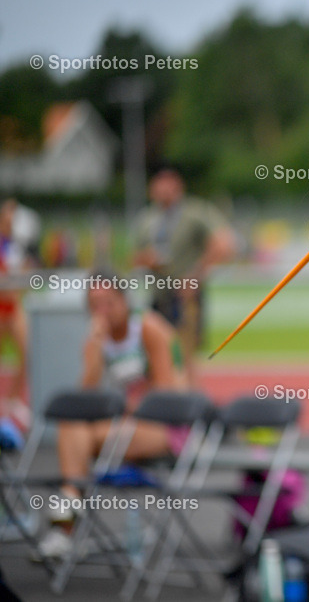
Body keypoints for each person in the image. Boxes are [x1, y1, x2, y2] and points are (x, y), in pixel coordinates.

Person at [37, 272, 185, 559]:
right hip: (122, 425)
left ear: (124, 300)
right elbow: (86, 398)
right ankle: (69, 506)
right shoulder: (96, 339)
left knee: (81, 430)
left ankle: (66, 517)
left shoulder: (149, 329)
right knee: (72, 424)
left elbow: (168, 393)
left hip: (167, 425)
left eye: (109, 302)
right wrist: (93, 350)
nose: (103, 311)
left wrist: (127, 406)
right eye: (95, 304)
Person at [134, 168, 235, 386]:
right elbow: (134, 257)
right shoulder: (147, 219)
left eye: (168, 186)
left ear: (178, 186)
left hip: (184, 296)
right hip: (157, 295)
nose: (163, 192)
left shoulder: (194, 213)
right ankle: (164, 404)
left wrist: (195, 276)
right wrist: (147, 260)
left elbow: (224, 243)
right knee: (156, 355)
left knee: (184, 356)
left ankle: (189, 406)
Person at [0, 200, 31, 431]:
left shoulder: (15, 245)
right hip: (2, 307)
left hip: (15, 307)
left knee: (27, 350)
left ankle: (14, 400)